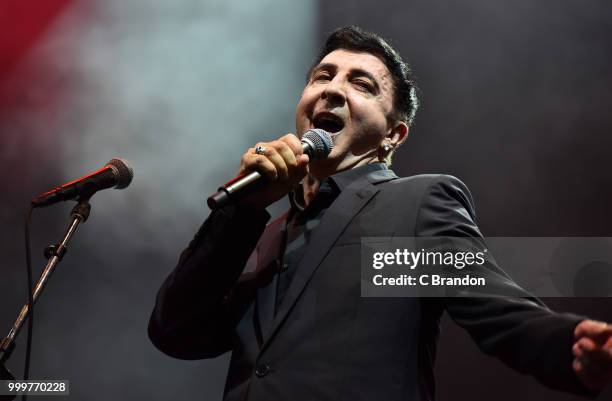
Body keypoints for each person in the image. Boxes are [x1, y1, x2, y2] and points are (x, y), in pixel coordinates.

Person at [148, 26, 612, 400]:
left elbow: (493, 306)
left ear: (394, 135)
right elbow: (177, 332)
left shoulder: (412, 207)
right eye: (322, 77)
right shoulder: (264, 234)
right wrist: (242, 209)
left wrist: (569, 344)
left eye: (360, 84)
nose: (332, 90)